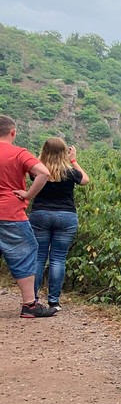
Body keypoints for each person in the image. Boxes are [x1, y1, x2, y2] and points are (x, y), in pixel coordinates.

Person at [0, 115, 56, 318]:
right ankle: (29, 305)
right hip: (10, 213)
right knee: (25, 254)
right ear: (13, 132)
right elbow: (43, 173)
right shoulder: (18, 153)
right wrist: (28, 195)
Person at [28, 137, 90, 311]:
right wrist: (73, 160)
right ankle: (54, 301)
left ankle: (32, 299)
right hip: (66, 216)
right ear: (64, 152)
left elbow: (35, 169)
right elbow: (85, 180)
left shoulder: (37, 171)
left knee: (39, 257)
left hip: (40, 215)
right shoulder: (70, 173)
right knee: (58, 259)